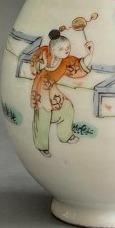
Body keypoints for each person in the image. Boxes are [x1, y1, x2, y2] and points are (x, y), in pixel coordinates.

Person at [29, 29, 93, 157]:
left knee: (66, 107)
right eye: (62, 49)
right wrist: (41, 66)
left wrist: (90, 53)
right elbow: (34, 66)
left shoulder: (66, 61)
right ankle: (42, 146)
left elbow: (79, 66)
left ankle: (65, 135)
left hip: (51, 89)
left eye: (68, 48)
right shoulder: (44, 53)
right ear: (53, 50)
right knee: (43, 114)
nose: (66, 51)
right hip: (40, 89)